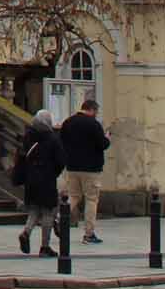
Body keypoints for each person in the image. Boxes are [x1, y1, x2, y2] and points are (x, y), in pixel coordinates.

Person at [14, 109, 67, 256]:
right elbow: (61, 161)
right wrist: (53, 173)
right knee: (48, 213)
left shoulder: (28, 136)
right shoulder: (52, 138)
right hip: (46, 179)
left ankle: (26, 232)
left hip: (31, 179)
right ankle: (45, 246)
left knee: (34, 210)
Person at [59, 97, 110, 243]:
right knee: (91, 199)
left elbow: (61, 142)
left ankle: (59, 219)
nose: (96, 114)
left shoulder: (68, 122)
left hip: (72, 166)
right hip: (91, 168)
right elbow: (102, 145)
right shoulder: (93, 124)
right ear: (92, 110)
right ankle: (89, 234)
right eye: (96, 111)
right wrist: (107, 138)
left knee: (73, 197)